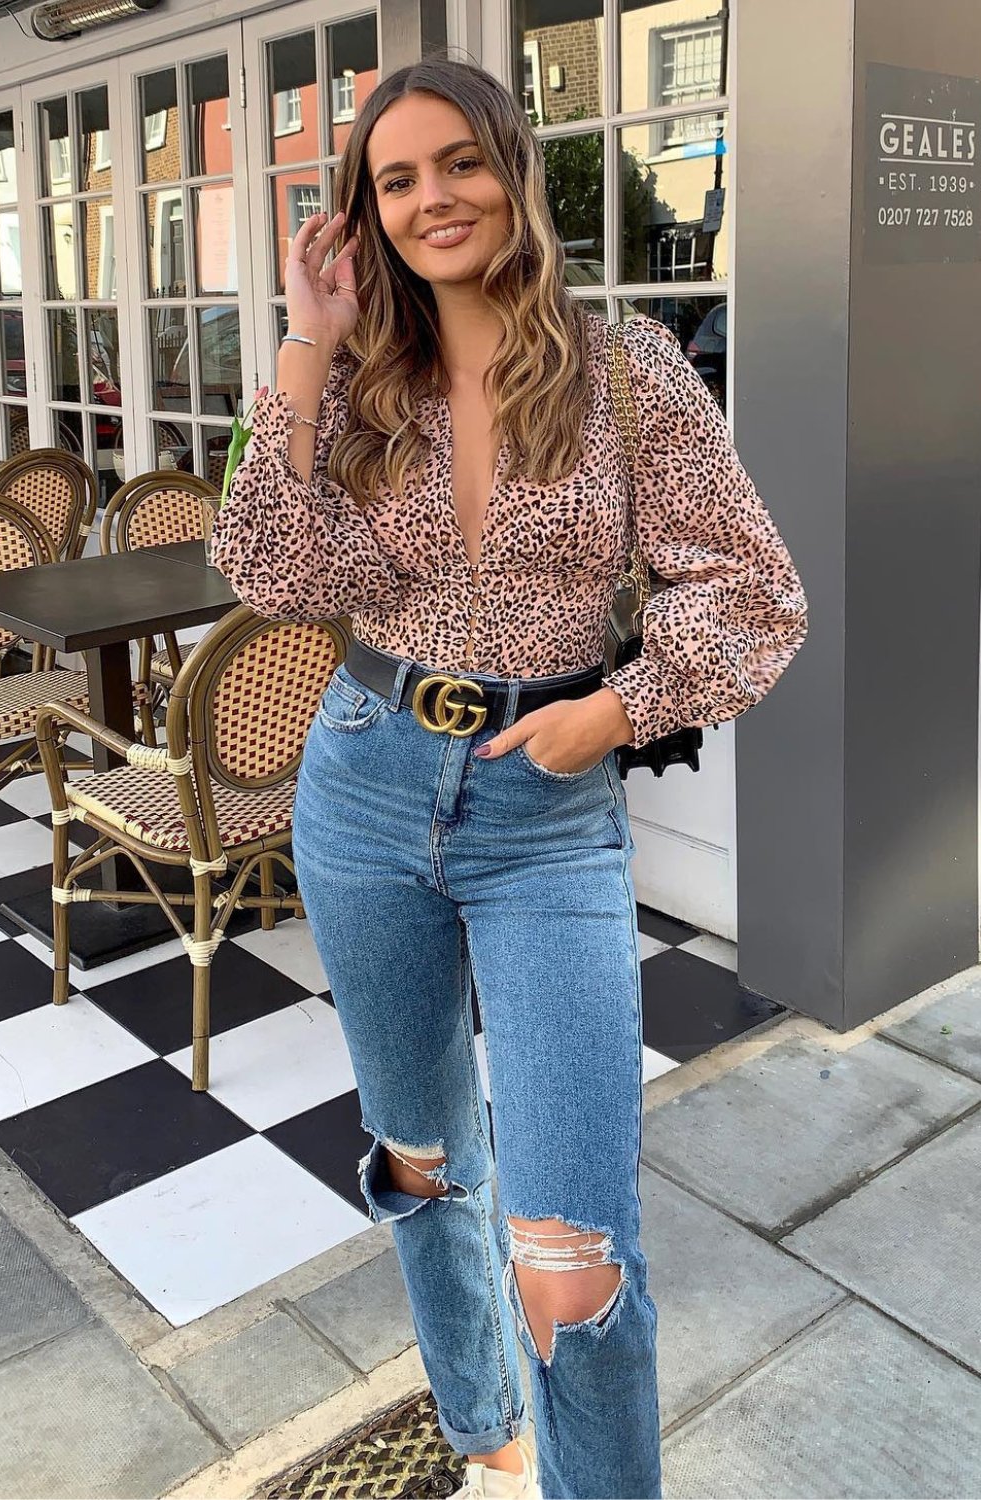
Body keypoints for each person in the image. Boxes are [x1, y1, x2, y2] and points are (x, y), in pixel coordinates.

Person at [211, 55, 808, 1500]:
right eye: (395, 179)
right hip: (361, 780)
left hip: (546, 816)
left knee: (573, 1241)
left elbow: (755, 589)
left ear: (515, 172)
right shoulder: (352, 384)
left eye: (457, 164)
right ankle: (484, 1441)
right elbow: (268, 569)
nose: (432, 200)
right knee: (420, 1158)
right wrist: (307, 341)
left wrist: (620, 707)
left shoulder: (627, 372)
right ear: (363, 214)